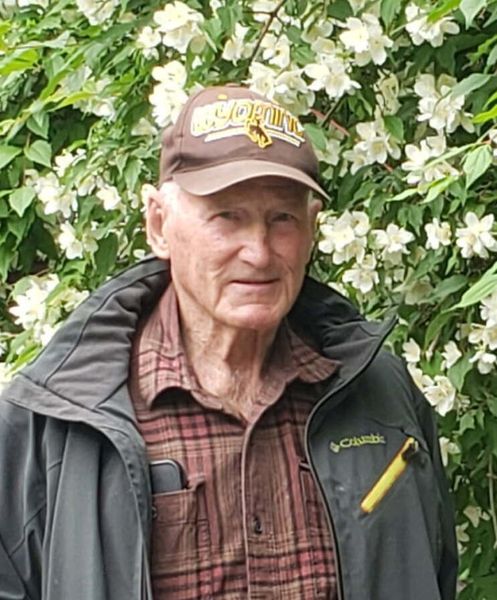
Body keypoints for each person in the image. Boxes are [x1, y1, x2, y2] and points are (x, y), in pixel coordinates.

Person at [0, 85, 457, 600]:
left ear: (311, 230)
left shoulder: (379, 394)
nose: (259, 253)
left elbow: (432, 569)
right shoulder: (54, 422)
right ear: (158, 224)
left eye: (282, 218)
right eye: (227, 216)